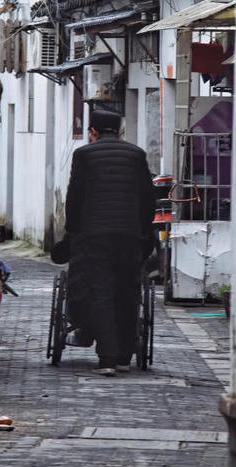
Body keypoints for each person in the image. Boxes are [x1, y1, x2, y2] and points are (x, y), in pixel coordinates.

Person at [64, 109, 155, 376]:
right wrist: (142, 229)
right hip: (129, 235)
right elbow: (147, 197)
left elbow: (75, 195)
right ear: (119, 131)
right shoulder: (136, 155)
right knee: (127, 292)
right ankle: (125, 357)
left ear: (93, 132)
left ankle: (107, 359)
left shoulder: (84, 155)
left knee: (100, 292)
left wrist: (72, 230)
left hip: (95, 235)